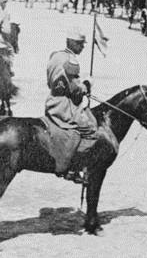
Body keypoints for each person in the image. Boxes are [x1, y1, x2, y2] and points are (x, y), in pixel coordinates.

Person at [44, 28, 101, 184]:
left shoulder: (56, 55)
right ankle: (72, 167)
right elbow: (76, 91)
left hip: (52, 99)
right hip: (64, 105)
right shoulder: (71, 61)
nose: (83, 47)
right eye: (81, 44)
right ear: (74, 43)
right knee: (90, 130)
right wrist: (87, 84)